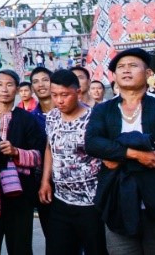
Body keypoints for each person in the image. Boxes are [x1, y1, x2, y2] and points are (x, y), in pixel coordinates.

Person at [85, 47, 155, 254]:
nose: (126, 70)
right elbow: (92, 143)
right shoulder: (103, 110)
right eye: (120, 67)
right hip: (117, 200)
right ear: (114, 76)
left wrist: (113, 153)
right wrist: (137, 152)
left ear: (148, 73)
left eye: (132, 65)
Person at [38, 70, 104, 255]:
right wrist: (45, 181)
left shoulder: (94, 118)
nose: (59, 100)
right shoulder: (52, 117)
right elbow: (49, 148)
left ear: (78, 92)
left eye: (65, 95)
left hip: (92, 203)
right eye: (54, 95)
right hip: (61, 200)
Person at [0, 69, 45, 255]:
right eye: (0, 84)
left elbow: (39, 156)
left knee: (20, 247)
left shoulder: (27, 119)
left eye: (9, 85)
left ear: (17, 89)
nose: (4, 89)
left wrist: (16, 152)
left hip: (20, 194)